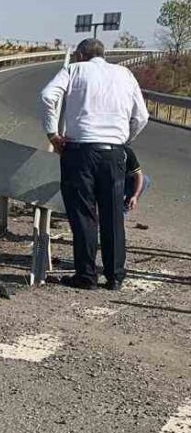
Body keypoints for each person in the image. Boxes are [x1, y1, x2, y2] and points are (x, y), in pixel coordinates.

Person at [40, 38, 149, 291]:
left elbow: (47, 96)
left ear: (79, 55)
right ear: (103, 54)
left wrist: (52, 135)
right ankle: (115, 276)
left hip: (80, 151)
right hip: (114, 153)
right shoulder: (125, 73)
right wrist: (124, 140)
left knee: (83, 215)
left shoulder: (74, 70)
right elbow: (142, 116)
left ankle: (86, 275)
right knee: (113, 215)